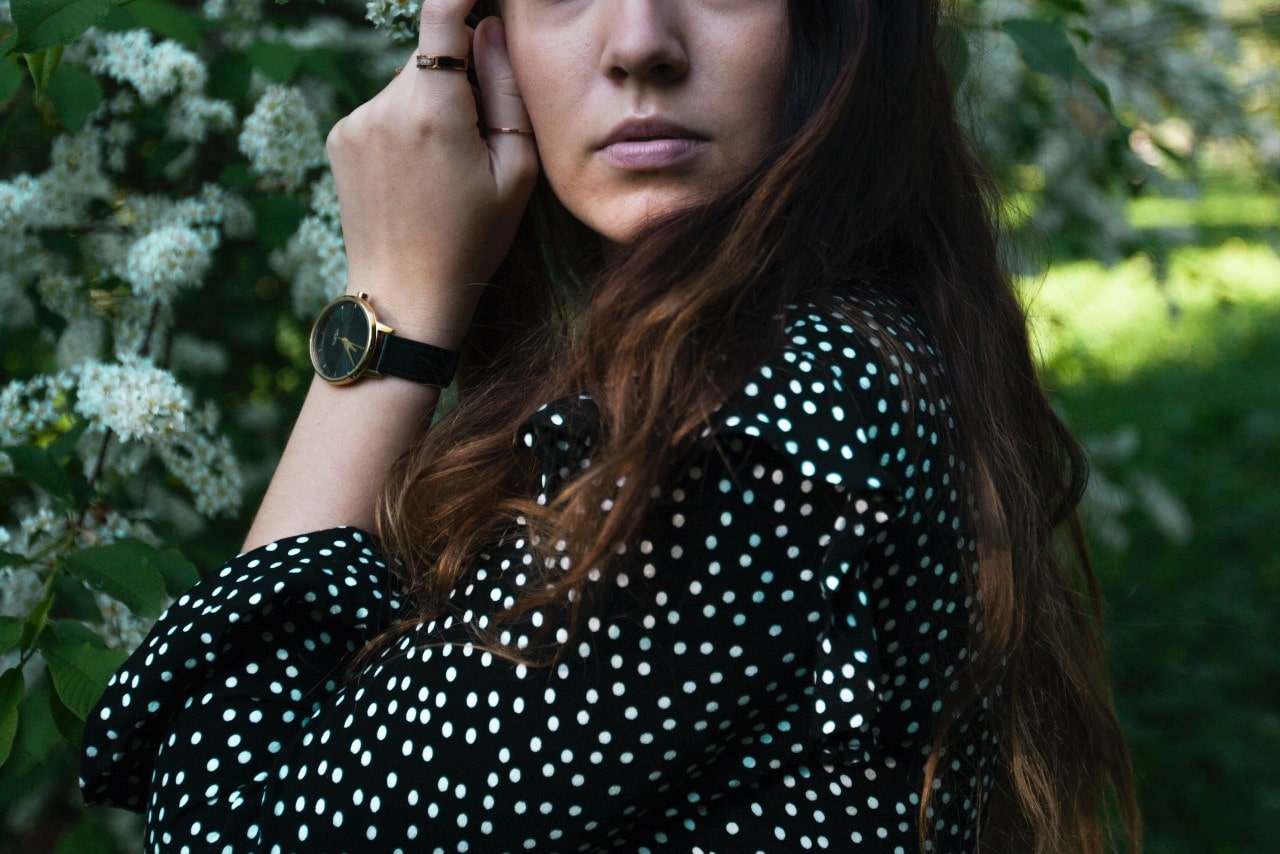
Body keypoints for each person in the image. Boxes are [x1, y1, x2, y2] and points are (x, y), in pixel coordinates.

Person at [81, 1, 1140, 851]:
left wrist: (395, 302)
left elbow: (230, 824)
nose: (639, 44)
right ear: (480, 48)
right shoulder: (835, 359)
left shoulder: (754, 428)